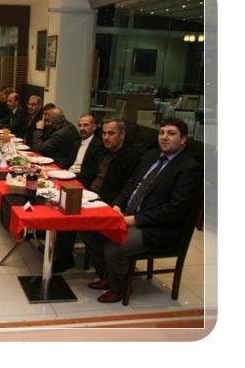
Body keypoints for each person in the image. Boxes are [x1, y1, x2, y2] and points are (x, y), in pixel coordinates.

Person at [82, 118, 202, 303]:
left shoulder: (189, 168)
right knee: (90, 231)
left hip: (157, 228)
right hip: (129, 215)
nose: (164, 137)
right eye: (161, 133)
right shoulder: (151, 156)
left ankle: (119, 288)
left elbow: (174, 210)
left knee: (114, 246)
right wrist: (118, 205)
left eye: (171, 134)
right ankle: (109, 275)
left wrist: (134, 220)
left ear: (183, 139)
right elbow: (131, 184)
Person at [54, 117, 139, 273]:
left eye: (111, 133)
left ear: (122, 135)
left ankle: (71, 259)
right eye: (104, 133)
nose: (106, 137)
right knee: (62, 202)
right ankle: (61, 252)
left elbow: (127, 189)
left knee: (70, 213)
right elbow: (89, 173)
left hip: (108, 201)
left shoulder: (130, 157)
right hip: (90, 193)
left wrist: (96, 199)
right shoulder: (102, 151)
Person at [69, 114, 105, 186]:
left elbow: (91, 173)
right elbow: (69, 162)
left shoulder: (99, 146)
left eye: (85, 125)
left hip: (81, 180)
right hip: (68, 174)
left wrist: (71, 175)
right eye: (80, 125)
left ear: (94, 127)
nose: (82, 128)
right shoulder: (76, 143)